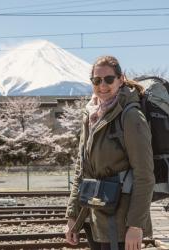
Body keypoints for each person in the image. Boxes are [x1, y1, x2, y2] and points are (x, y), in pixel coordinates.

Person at [65, 56, 155, 250]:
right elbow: (81, 171)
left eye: (108, 79)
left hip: (121, 224)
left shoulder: (131, 116)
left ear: (120, 79)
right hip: (95, 217)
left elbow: (145, 175)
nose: (102, 85)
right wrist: (73, 217)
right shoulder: (90, 115)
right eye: (97, 80)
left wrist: (136, 225)